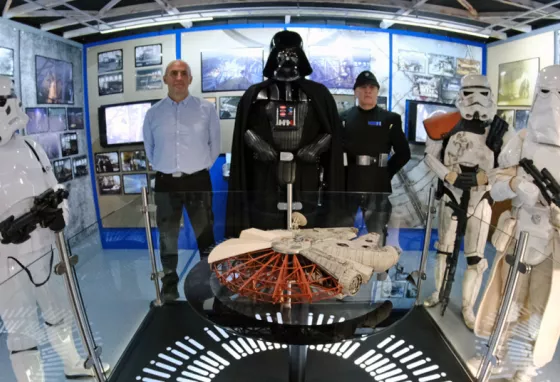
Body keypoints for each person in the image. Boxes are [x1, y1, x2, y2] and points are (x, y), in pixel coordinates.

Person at [0, 76, 110, 380]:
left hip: (45, 247)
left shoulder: (32, 147)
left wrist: (59, 213)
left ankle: (72, 363)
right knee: (20, 330)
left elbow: (55, 188)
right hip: (5, 259)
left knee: (58, 313)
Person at [470, 65, 560, 382]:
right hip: (519, 234)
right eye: (545, 92)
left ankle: (525, 367)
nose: (551, 102)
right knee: (505, 302)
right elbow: (494, 184)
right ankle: (493, 356)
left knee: (540, 307)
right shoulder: (522, 140)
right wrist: (514, 187)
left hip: (553, 243)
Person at [226, 30, 345, 236]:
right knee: (266, 228)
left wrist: (315, 148)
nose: (287, 57)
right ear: (273, 55)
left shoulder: (318, 94)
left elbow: (331, 132)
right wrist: (257, 144)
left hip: (306, 173)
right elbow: (243, 132)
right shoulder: (256, 94)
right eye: (282, 52)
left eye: (293, 52)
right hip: (265, 174)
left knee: (306, 226)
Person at [422, 74, 510, 329]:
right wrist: (449, 175)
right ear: (461, 93)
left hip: (480, 198)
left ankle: (468, 306)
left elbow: (510, 165)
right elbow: (430, 158)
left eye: (482, 93)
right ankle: (439, 293)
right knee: (444, 250)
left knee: (475, 258)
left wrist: (486, 177)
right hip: (452, 194)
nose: (476, 100)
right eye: (470, 92)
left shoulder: (501, 130)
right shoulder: (444, 123)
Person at [143, 60, 220, 301]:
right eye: (173, 73)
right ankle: (169, 283)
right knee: (167, 236)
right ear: (165, 79)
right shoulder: (153, 113)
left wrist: (196, 169)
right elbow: (150, 149)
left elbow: (214, 146)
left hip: (198, 181)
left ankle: (209, 281)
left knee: (205, 234)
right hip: (166, 183)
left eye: (183, 73)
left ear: (190, 79)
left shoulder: (206, 110)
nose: (179, 77)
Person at [340, 70, 410, 243]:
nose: (368, 91)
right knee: (342, 236)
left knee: (376, 236)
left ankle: (379, 270)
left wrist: (385, 173)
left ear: (377, 92)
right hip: (347, 184)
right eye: (363, 87)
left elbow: (404, 153)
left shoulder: (390, 119)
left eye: (372, 87)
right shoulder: (343, 118)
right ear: (356, 92)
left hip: (377, 186)